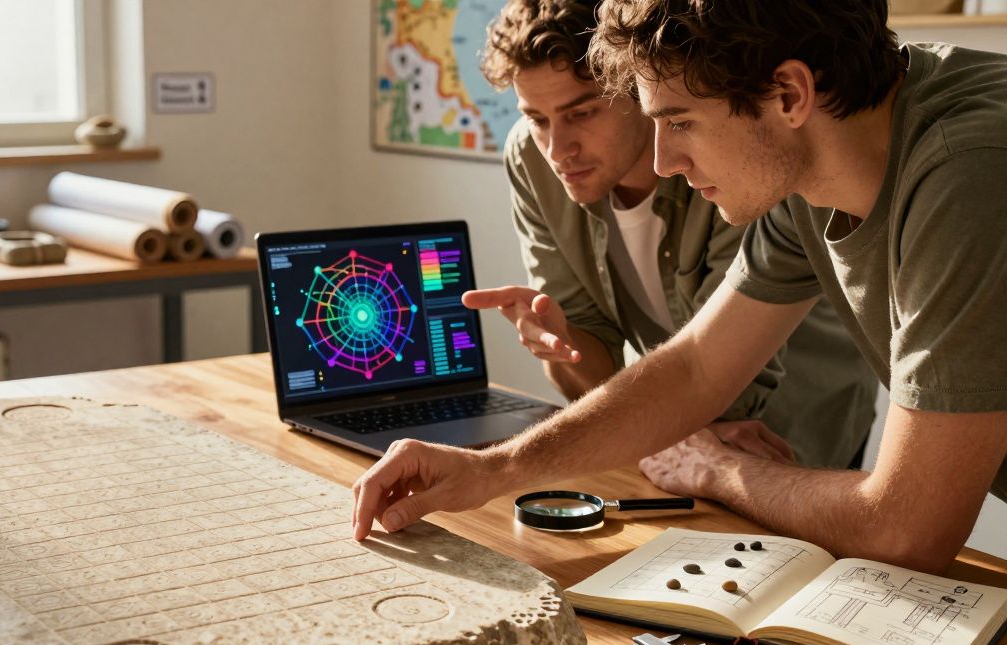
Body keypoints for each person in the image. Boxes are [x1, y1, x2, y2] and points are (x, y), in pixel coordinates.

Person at [352, 0, 1007, 574]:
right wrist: (490, 469)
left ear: (788, 94)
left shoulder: (965, 170)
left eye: (680, 122)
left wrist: (723, 470)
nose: (664, 161)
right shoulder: (802, 165)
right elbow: (696, 367)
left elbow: (907, 527)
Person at [467, 0, 874, 474]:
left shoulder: (735, 159)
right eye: (537, 119)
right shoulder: (531, 159)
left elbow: (726, 387)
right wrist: (559, 343)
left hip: (794, 429)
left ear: (639, 88)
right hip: (669, 437)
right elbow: (594, 373)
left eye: (582, 113)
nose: (558, 149)